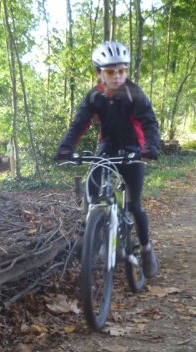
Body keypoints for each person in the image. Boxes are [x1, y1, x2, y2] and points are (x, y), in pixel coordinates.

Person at [55, 41, 161, 278]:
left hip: (133, 149)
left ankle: (146, 250)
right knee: (92, 194)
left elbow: (149, 123)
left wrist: (150, 147)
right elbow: (79, 123)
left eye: (122, 71)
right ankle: (98, 232)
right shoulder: (95, 96)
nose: (117, 77)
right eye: (111, 72)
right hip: (107, 147)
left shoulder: (135, 94)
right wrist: (65, 148)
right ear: (99, 73)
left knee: (134, 206)